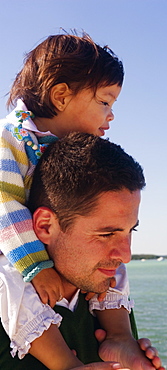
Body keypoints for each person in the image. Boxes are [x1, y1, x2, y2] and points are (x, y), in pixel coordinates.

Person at [0, 31, 134, 367]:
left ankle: (119, 334)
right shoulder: (10, 139)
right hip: (13, 248)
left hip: (48, 247)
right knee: (8, 278)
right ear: (61, 96)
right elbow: (5, 204)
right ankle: (64, 361)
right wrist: (37, 266)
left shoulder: (65, 147)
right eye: (104, 102)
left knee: (113, 247)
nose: (111, 115)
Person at [0, 132, 165, 370]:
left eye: (131, 232)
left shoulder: (107, 301)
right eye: (106, 234)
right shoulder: (9, 296)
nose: (126, 255)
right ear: (45, 226)